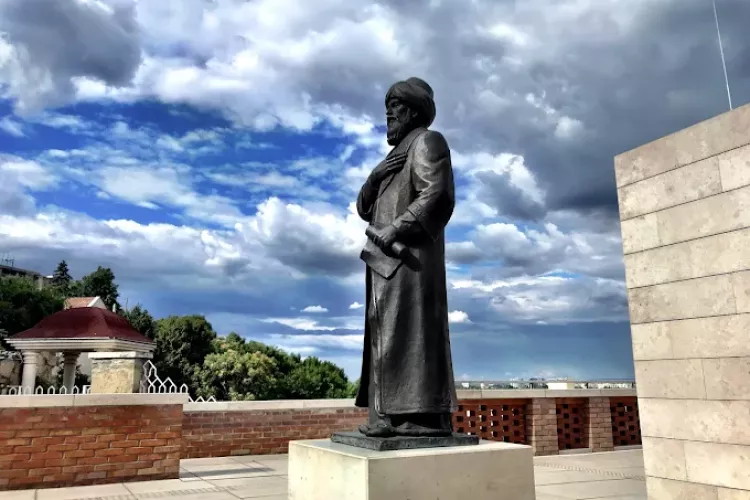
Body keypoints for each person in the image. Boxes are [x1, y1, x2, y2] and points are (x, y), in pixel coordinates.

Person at [355, 77, 458, 437]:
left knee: (409, 334)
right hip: (385, 265)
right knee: (385, 336)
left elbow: (438, 195)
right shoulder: (393, 158)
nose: (389, 113)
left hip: (411, 263)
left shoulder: (428, 142)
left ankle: (417, 417)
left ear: (414, 111)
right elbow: (365, 209)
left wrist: (395, 229)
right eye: (388, 106)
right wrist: (373, 177)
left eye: (396, 106)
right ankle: (386, 416)